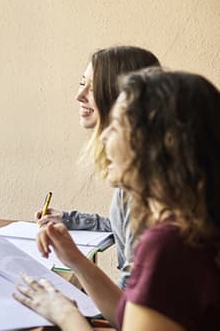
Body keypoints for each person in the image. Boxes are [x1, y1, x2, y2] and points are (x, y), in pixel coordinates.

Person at [16, 69, 220, 330]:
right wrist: (74, 259)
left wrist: (64, 314)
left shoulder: (170, 246)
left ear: (155, 145)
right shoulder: (194, 230)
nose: (102, 137)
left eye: (115, 126)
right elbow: (130, 318)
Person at [35, 46, 160, 288]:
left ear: (123, 96)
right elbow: (124, 227)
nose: (79, 95)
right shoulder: (138, 174)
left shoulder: (141, 187)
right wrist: (70, 219)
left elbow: (129, 312)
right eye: (82, 83)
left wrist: (63, 306)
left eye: (92, 87)